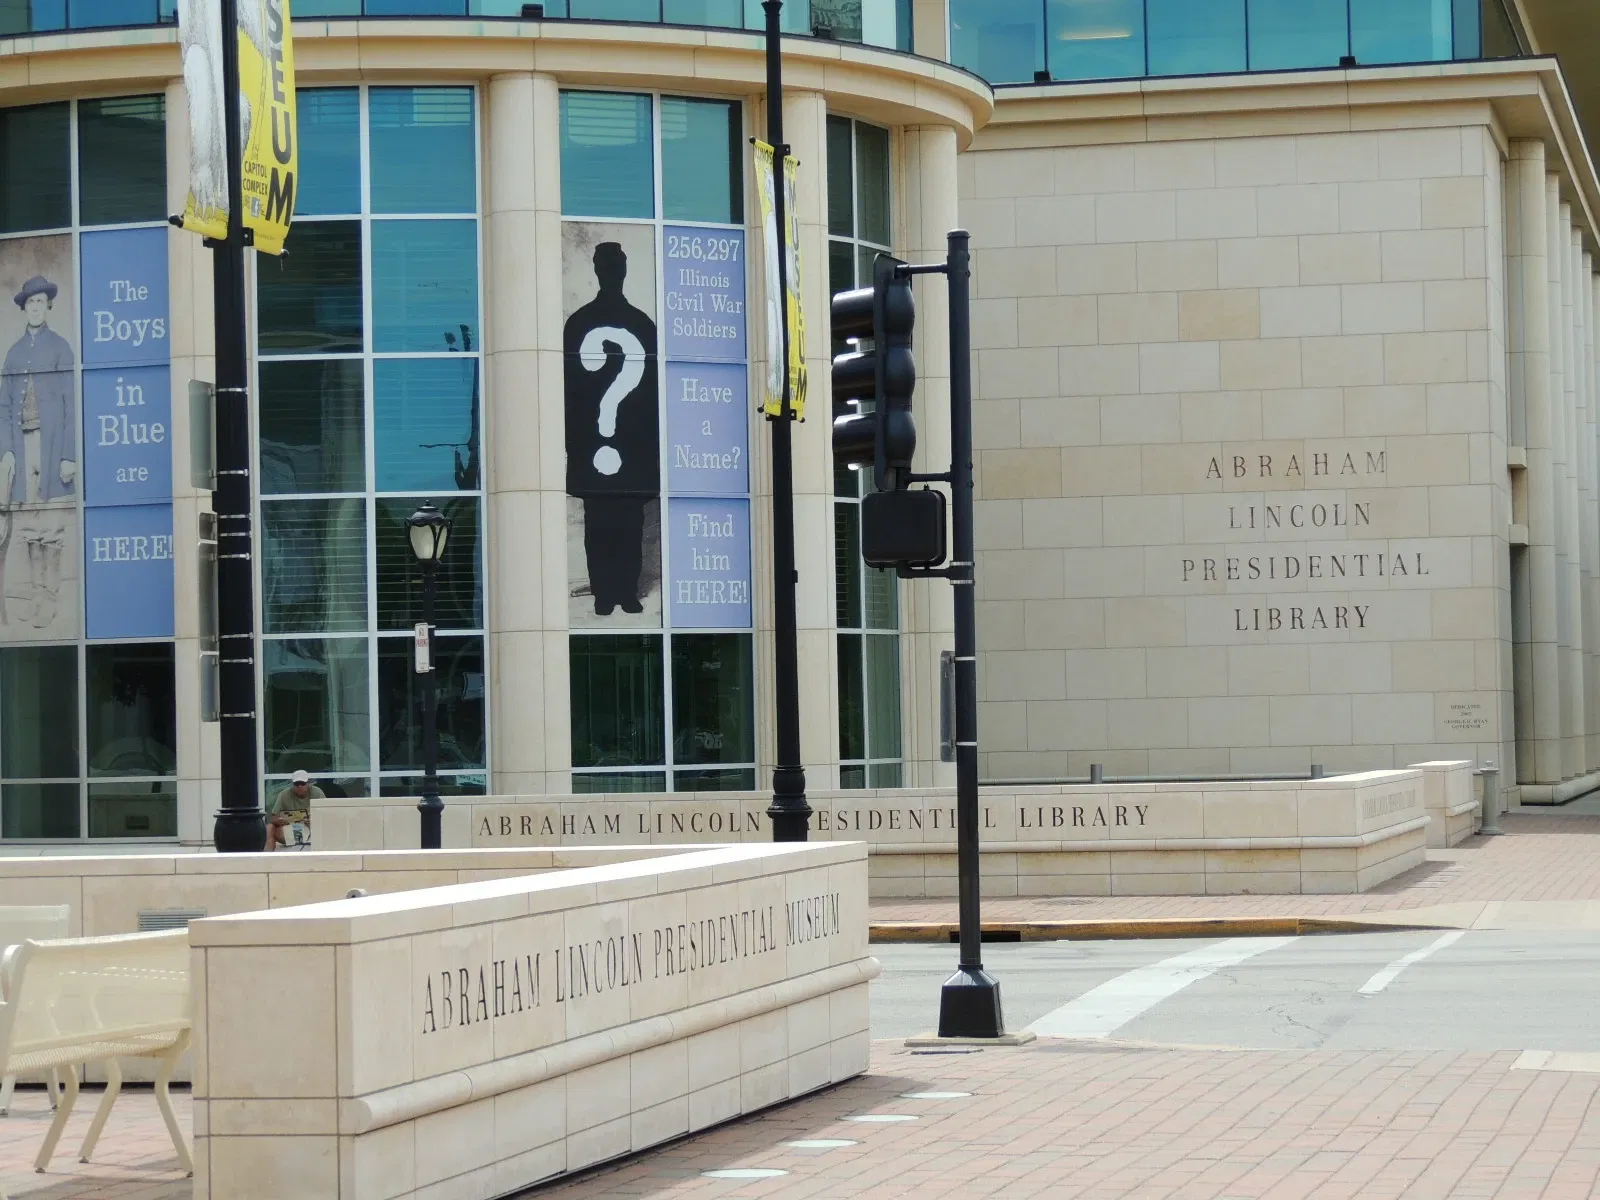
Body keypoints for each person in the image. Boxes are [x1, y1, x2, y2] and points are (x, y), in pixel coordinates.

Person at [564, 242, 659, 616]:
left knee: (625, 524)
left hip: (627, 445)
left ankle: (622, 591)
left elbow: (651, 394)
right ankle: (607, 592)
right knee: (603, 523)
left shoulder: (633, 324)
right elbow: (571, 394)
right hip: (602, 445)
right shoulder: (631, 323)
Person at [0, 275, 76, 629]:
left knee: (52, 524)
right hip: (22, 445)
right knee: (30, 523)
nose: (35, 308)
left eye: (40, 302)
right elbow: (3, 407)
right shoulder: (14, 353)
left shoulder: (61, 348)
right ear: (24, 308)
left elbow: (72, 405)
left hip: (52, 446)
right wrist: (7, 451)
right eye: (30, 302)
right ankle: (35, 598)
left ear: (49, 306)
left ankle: (50, 598)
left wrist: (69, 455)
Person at [265, 770, 323, 851]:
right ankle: (267, 854)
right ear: (293, 784)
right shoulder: (284, 794)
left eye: (302, 783)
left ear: (308, 783)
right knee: (270, 827)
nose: (300, 786)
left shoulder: (317, 792)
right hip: (291, 828)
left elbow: (326, 813)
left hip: (312, 828)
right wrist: (279, 821)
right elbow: (273, 818)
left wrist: (314, 820)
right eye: (297, 784)